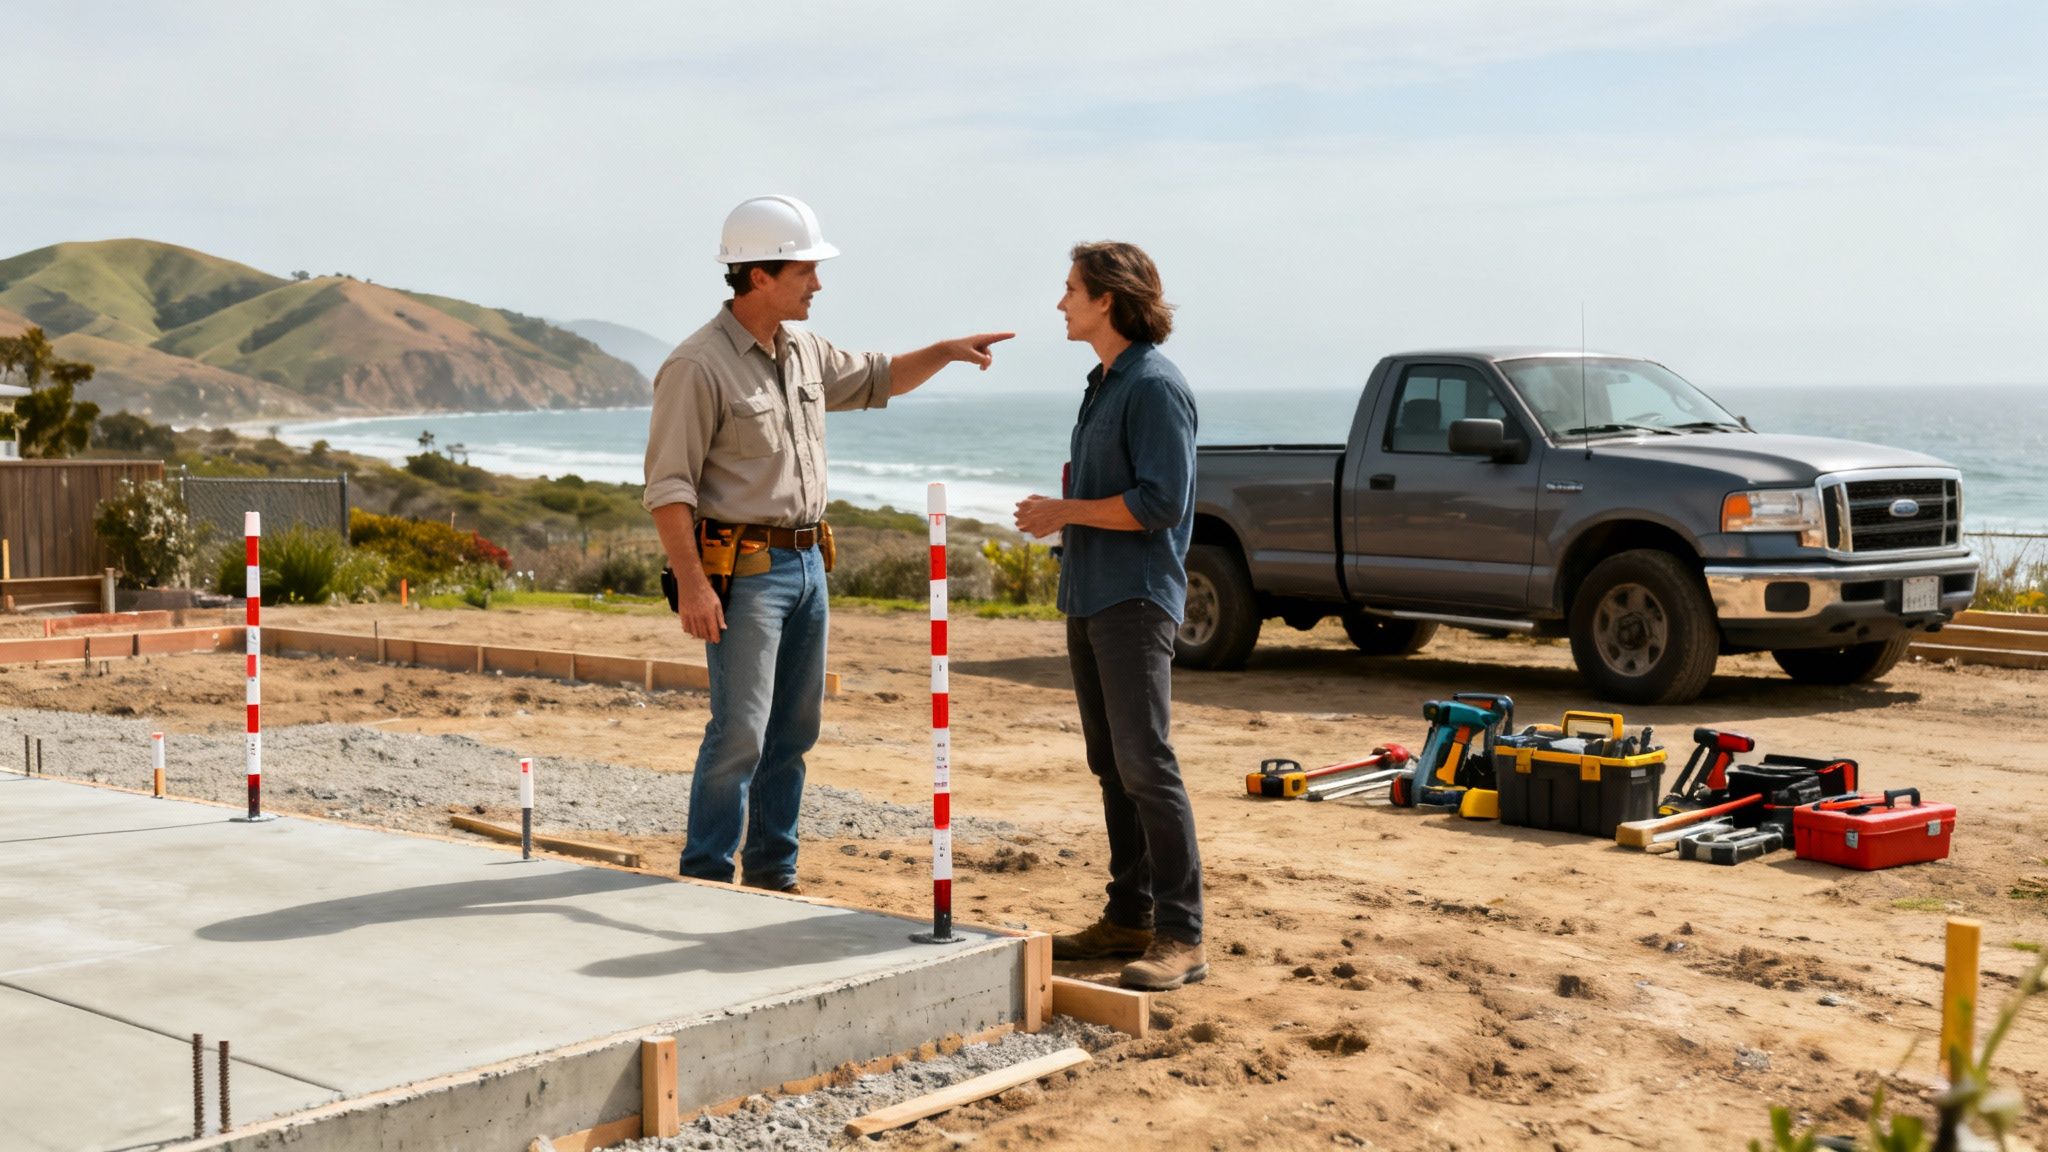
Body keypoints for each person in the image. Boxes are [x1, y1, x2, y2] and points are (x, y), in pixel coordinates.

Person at [644, 194, 1012, 892]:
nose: (817, 285)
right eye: (805, 271)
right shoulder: (697, 366)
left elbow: (878, 379)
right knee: (741, 734)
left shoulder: (805, 350)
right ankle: (704, 875)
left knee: (794, 733)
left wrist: (945, 351)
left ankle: (773, 873)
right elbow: (669, 487)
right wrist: (692, 583)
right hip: (745, 573)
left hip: (811, 567)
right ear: (759, 275)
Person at [1014, 241, 1205, 991]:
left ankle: (1181, 934)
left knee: (1147, 765)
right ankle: (1128, 916)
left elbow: (1164, 503)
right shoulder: (1103, 382)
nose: (1061, 302)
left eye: (1070, 290)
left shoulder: (1155, 387)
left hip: (1134, 602)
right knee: (1112, 766)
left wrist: (1065, 511)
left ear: (1109, 299)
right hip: (1090, 597)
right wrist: (1070, 521)